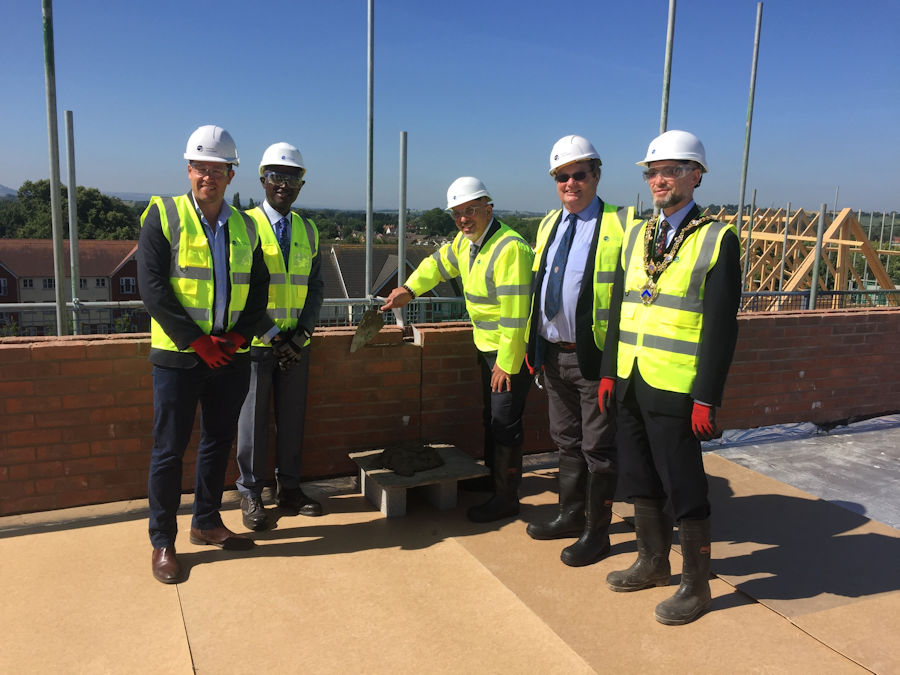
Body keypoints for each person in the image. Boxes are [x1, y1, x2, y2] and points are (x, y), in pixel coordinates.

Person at [600, 130, 741, 625]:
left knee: (682, 481)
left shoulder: (716, 238)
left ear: (696, 175)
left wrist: (707, 396)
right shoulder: (638, 234)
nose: (659, 180)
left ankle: (696, 585)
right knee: (638, 474)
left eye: (671, 170)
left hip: (677, 384)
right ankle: (653, 561)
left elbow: (721, 327)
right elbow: (617, 307)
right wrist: (607, 373)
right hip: (630, 378)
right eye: (653, 172)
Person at [137, 124, 269, 584]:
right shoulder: (163, 215)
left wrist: (232, 342)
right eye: (199, 168)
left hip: (229, 355)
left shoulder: (244, 225)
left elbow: (259, 291)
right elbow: (153, 290)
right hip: (178, 357)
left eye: (217, 169)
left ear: (231, 175)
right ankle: (162, 542)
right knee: (169, 451)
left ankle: (207, 523)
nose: (206, 177)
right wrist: (199, 343)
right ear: (188, 170)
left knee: (217, 441)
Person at [381, 177, 534, 522]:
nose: (463, 219)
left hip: (508, 354)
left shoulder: (510, 247)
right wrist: (409, 288)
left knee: (504, 422)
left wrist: (506, 365)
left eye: (470, 211)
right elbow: (436, 265)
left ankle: (506, 496)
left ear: (488, 208)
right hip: (488, 348)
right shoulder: (467, 244)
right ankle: (493, 481)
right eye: (457, 214)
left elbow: (516, 313)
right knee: (491, 418)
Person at [524, 135, 634, 567]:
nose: (571, 183)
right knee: (566, 442)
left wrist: (613, 365)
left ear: (597, 175)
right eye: (561, 176)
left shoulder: (621, 226)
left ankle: (597, 532)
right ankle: (570, 514)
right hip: (552, 355)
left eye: (579, 174)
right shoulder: (549, 224)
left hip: (593, 360)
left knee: (598, 450)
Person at [235, 142, 325, 530]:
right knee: (251, 424)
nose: (283, 185)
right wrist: (273, 335)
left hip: (295, 346)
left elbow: (316, 287)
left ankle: (289, 488)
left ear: (301, 184)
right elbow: (241, 290)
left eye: (292, 178)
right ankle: (252, 494)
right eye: (276, 177)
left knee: (292, 420)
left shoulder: (308, 230)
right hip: (257, 345)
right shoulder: (244, 225)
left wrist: (301, 335)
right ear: (262, 180)